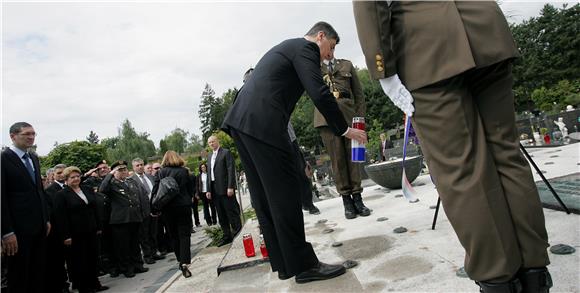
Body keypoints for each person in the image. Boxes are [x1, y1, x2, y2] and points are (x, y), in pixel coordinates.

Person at [353, 2, 551, 292]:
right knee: (507, 156)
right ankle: (535, 274)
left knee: (462, 171)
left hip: (427, 44)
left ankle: (498, 278)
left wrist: (382, 66)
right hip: (484, 28)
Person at [222, 22, 367, 284]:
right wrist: (345, 130)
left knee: (266, 198)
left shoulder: (287, 47)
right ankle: (304, 266)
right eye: (331, 47)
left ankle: (284, 263)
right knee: (286, 194)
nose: (330, 55)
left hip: (242, 123)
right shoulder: (305, 48)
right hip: (264, 125)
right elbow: (319, 92)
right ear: (320, 36)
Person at [314, 56, 370, 219]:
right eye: (328, 47)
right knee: (337, 160)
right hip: (326, 118)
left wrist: (359, 119)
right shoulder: (314, 68)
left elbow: (358, 94)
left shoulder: (346, 65)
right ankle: (347, 201)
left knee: (354, 158)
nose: (330, 51)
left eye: (333, 47)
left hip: (349, 115)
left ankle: (358, 198)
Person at [1, 122, 51, 293]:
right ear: (13, 136)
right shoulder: (3, 159)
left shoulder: (33, 157)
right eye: (26, 134)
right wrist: (6, 232)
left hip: (38, 227)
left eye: (33, 134)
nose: (31, 137)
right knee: (19, 276)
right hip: (17, 231)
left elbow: (39, 191)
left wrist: (46, 218)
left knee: (38, 272)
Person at [54, 166, 106, 293]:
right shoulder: (61, 195)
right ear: (66, 179)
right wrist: (65, 236)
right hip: (75, 234)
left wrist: (98, 226)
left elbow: (94, 209)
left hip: (91, 230)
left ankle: (95, 282)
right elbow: (60, 217)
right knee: (80, 261)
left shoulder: (86, 189)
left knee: (93, 258)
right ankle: (85, 287)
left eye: (77, 176)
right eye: (72, 177)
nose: (76, 179)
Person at [99, 160, 148, 278]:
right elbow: (102, 189)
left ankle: (138, 265)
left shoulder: (130, 181)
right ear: (114, 172)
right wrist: (110, 175)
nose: (124, 172)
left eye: (125, 169)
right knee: (123, 247)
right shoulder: (111, 184)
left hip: (134, 217)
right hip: (121, 220)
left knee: (135, 244)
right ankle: (127, 268)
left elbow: (136, 199)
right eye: (120, 170)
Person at [151, 151, 193, 278]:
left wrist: (153, 208)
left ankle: (180, 260)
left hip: (168, 208)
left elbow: (156, 191)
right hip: (183, 206)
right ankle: (185, 262)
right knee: (185, 234)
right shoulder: (184, 171)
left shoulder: (161, 172)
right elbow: (190, 189)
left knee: (173, 235)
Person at [205, 135, 242, 246]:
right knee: (221, 215)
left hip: (226, 189)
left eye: (213, 141)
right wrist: (208, 190)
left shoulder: (226, 152)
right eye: (209, 142)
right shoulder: (210, 156)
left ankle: (238, 233)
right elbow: (209, 174)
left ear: (217, 141)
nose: (211, 144)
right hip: (214, 189)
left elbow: (231, 170)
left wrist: (230, 186)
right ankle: (227, 236)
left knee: (231, 212)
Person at [130, 158, 164, 265]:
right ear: (134, 167)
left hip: (153, 208)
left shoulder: (150, 177)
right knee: (144, 235)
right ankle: (147, 255)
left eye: (141, 164)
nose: (140, 167)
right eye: (137, 165)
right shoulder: (132, 179)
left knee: (153, 232)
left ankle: (154, 252)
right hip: (142, 211)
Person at [44, 164, 70, 293]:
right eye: (58, 173)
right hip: (58, 232)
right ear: (53, 175)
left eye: (63, 172)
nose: (61, 175)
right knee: (58, 262)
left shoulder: (71, 187)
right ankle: (62, 286)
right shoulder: (49, 191)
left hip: (72, 229)